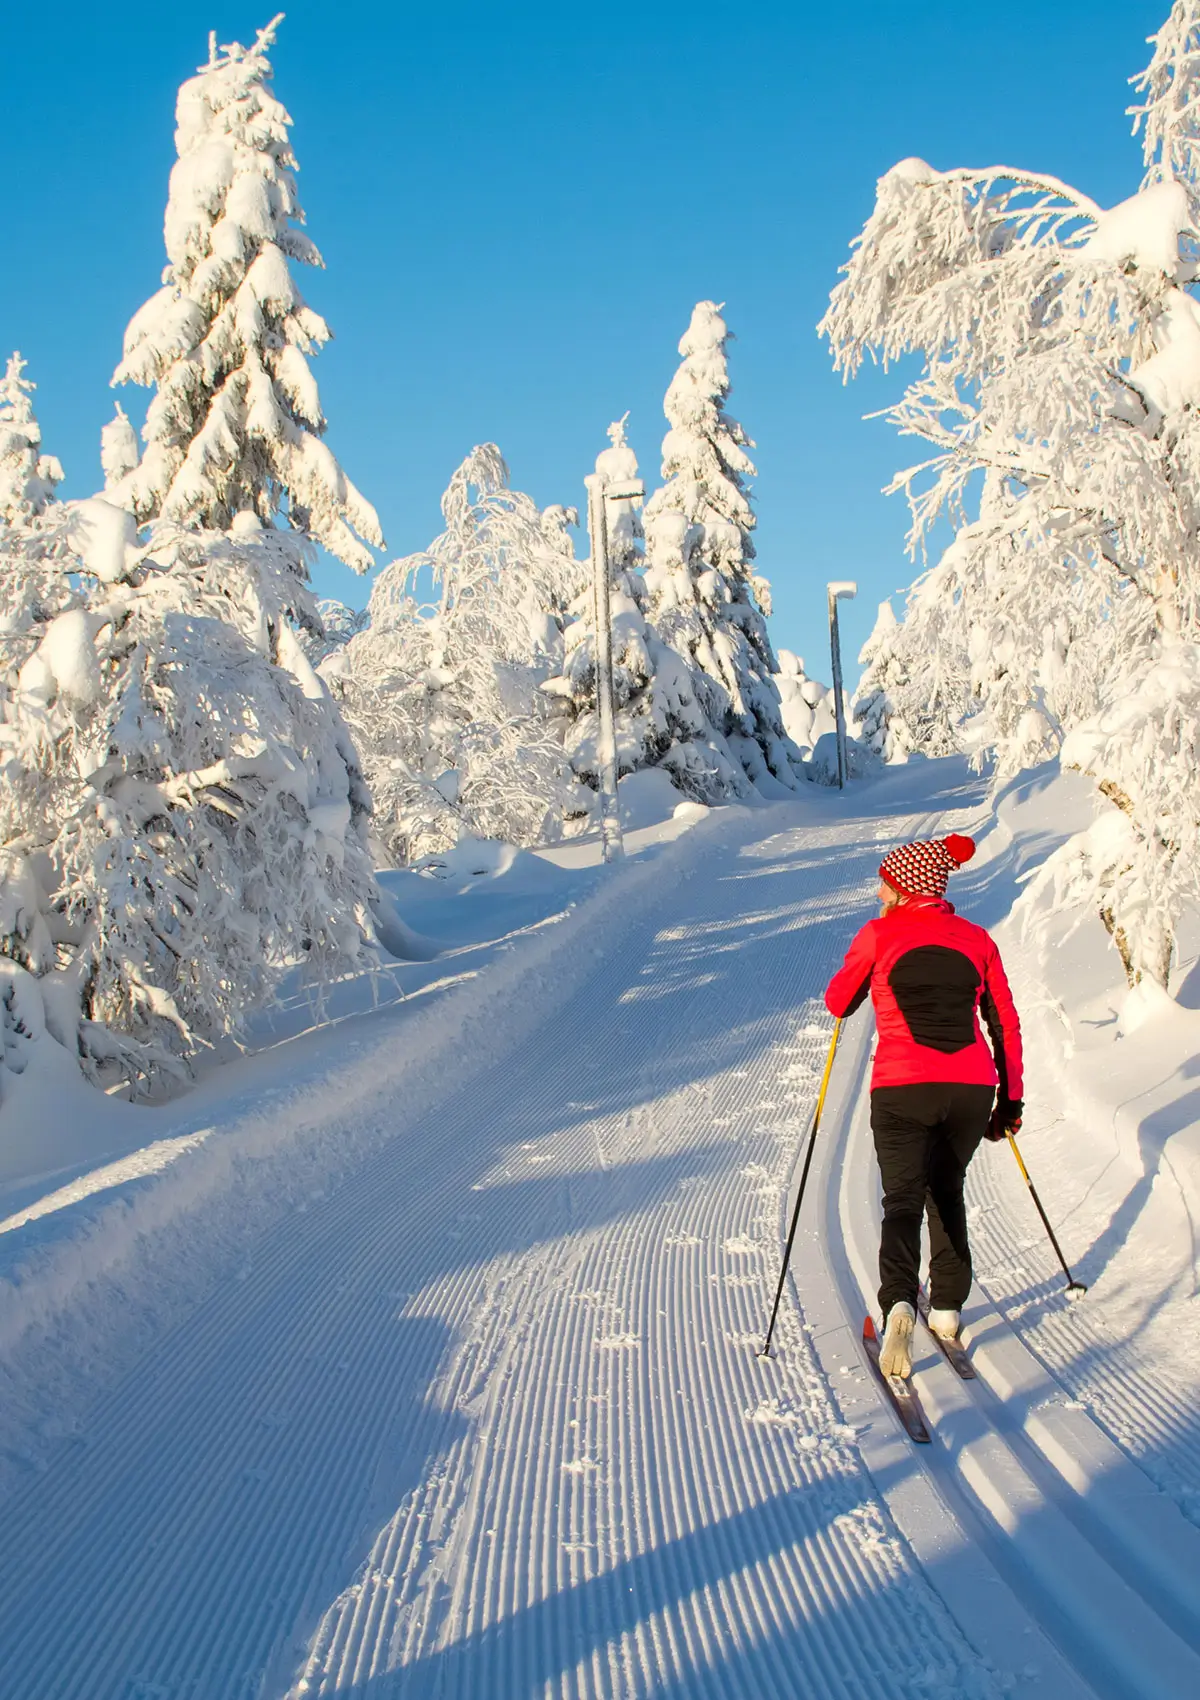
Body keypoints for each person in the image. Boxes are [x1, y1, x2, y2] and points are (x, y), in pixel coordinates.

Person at [824, 833, 1023, 1378]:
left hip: (902, 1087)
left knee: (903, 1199)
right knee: (947, 1191)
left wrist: (874, 956)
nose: (879, 889)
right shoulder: (977, 940)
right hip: (970, 1089)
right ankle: (949, 1310)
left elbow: (838, 1000)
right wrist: (1011, 1099)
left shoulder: (879, 933)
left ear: (901, 886)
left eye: (884, 881)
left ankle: (899, 1306)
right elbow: (1003, 1022)